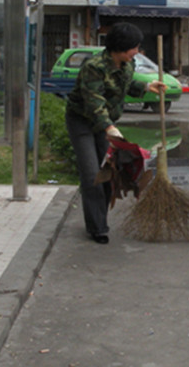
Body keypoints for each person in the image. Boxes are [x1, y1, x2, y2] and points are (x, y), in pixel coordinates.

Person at [65, 22, 167, 244]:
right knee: (92, 173)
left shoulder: (127, 65)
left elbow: (125, 85)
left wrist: (147, 87)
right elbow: (94, 102)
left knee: (107, 172)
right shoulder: (94, 66)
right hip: (82, 122)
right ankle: (97, 227)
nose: (137, 52)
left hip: (106, 124)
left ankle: (98, 218)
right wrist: (109, 127)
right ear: (121, 47)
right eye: (135, 47)